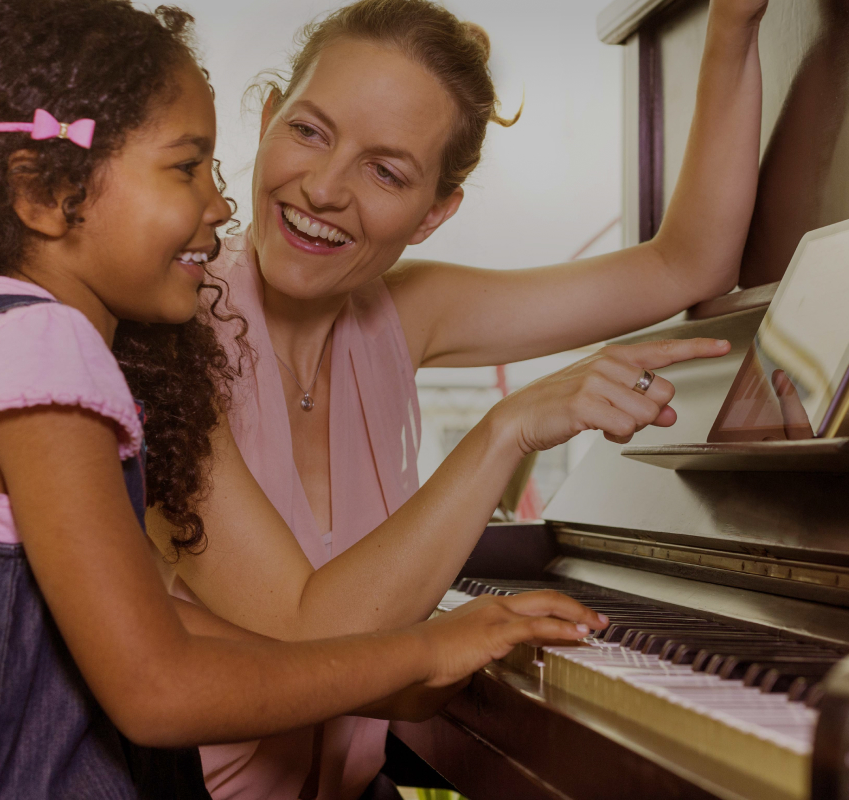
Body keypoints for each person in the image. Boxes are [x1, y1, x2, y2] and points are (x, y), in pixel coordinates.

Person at [0, 1, 611, 796]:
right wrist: (427, 650)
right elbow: (158, 690)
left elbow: (177, 627)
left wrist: (424, 656)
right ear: (45, 193)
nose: (221, 204)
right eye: (186, 168)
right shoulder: (47, 351)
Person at [144, 0, 771, 797]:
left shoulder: (404, 313)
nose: (325, 188)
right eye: (309, 130)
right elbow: (304, 637)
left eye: (387, 170)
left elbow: (688, 265)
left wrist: (734, 27)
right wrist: (506, 429)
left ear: (436, 211)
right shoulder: (166, 339)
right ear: (267, 118)